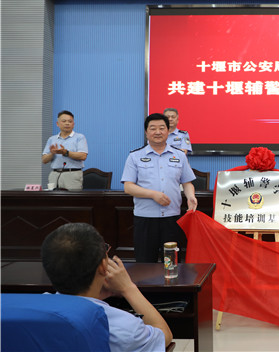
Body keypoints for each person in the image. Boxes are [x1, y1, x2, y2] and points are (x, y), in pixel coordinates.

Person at [41, 222, 173, 351]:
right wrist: (128, 288)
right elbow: (164, 336)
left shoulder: (38, 311)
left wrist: (95, 294)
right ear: (103, 266)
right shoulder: (123, 327)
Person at [121, 113, 197, 263]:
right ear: (146, 132)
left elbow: (187, 182)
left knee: (172, 263)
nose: (157, 132)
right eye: (153, 128)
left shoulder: (179, 156)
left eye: (162, 128)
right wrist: (153, 194)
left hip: (172, 218)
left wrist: (191, 197)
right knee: (145, 264)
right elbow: (128, 187)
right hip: (145, 219)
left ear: (168, 131)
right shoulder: (135, 156)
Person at [41, 110, 88, 191]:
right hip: (54, 174)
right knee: (53, 198)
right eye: (64, 121)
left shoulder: (79, 137)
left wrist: (66, 152)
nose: (67, 123)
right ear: (57, 124)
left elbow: (83, 156)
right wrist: (52, 153)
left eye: (70, 121)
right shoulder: (52, 139)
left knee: (72, 198)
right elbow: (44, 160)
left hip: (72, 175)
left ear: (73, 124)